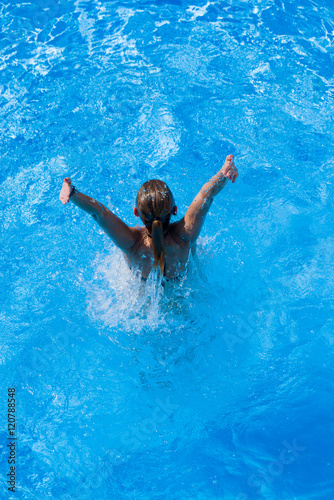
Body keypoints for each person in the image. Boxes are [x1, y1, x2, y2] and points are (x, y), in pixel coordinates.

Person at [59, 154, 238, 281]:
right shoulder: (185, 235)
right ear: (174, 210)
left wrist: (73, 192)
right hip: (184, 293)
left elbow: (99, 212)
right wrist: (222, 174)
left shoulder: (130, 242)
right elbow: (205, 195)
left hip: (143, 302)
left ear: (136, 212)